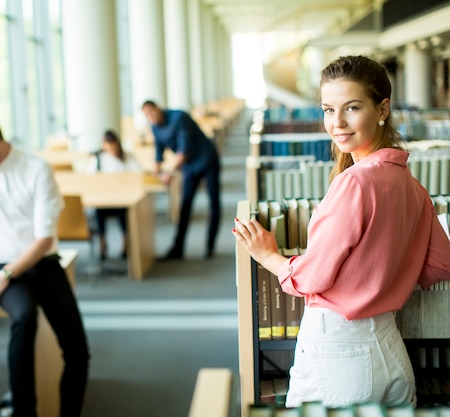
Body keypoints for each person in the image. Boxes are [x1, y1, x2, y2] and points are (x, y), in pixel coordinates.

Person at [233, 55, 450, 408]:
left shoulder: (354, 183)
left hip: (338, 355)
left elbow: (314, 277)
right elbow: (441, 264)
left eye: (351, 108)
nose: (337, 123)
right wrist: (387, 271)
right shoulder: (412, 186)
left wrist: (269, 256)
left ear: (382, 110)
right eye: (327, 110)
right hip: (391, 348)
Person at [0, 106, 90, 417]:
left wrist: (3, 278)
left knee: (78, 352)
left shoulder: (36, 169)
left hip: (43, 261)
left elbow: (43, 239)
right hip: (3, 265)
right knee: (24, 316)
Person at [141, 100, 221, 260]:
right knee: (185, 206)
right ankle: (178, 248)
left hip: (207, 160)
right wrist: (155, 169)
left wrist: (169, 172)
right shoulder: (155, 126)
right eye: (147, 116)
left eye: (151, 113)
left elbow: (183, 152)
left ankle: (210, 246)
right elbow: (158, 151)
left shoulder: (179, 118)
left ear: (158, 108)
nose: (150, 118)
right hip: (190, 167)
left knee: (213, 203)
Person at [87, 129, 142, 260]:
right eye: (109, 148)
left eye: (114, 147)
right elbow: (90, 179)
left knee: (123, 212)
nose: (112, 150)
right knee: (98, 211)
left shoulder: (128, 157)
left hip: (123, 199)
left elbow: (138, 175)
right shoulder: (98, 159)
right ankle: (102, 242)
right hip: (104, 199)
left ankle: (125, 242)